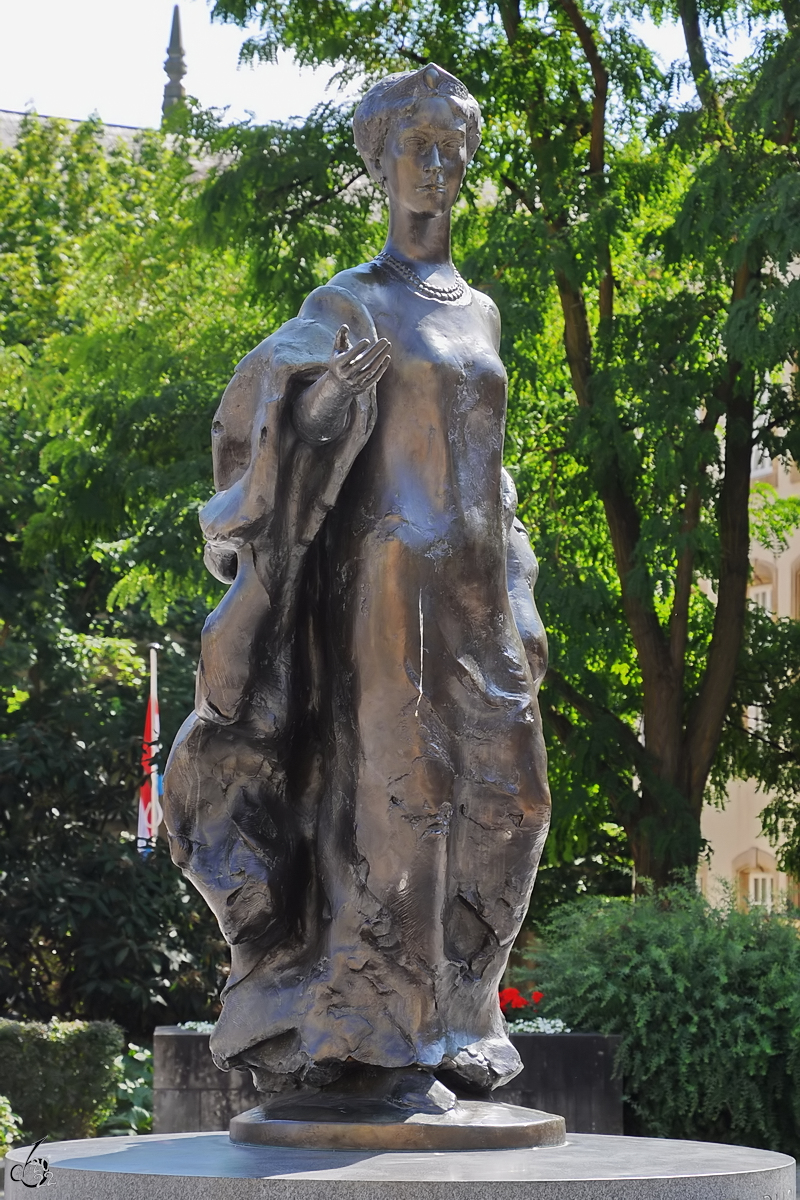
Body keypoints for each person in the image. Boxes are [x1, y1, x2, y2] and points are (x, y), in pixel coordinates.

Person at [163, 63, 551, 1108]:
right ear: (378, 162)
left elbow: (492, 468)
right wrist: (330, 398)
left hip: (474, 584)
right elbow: (264, 432)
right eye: (413, 147)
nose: (434, 165)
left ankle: (464, 1013)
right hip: (383, 584)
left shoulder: (479, 313)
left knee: (512, 805)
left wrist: (520, 593)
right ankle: (381, 1037)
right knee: (401, 803)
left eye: (449, 146)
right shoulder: (348, 303)